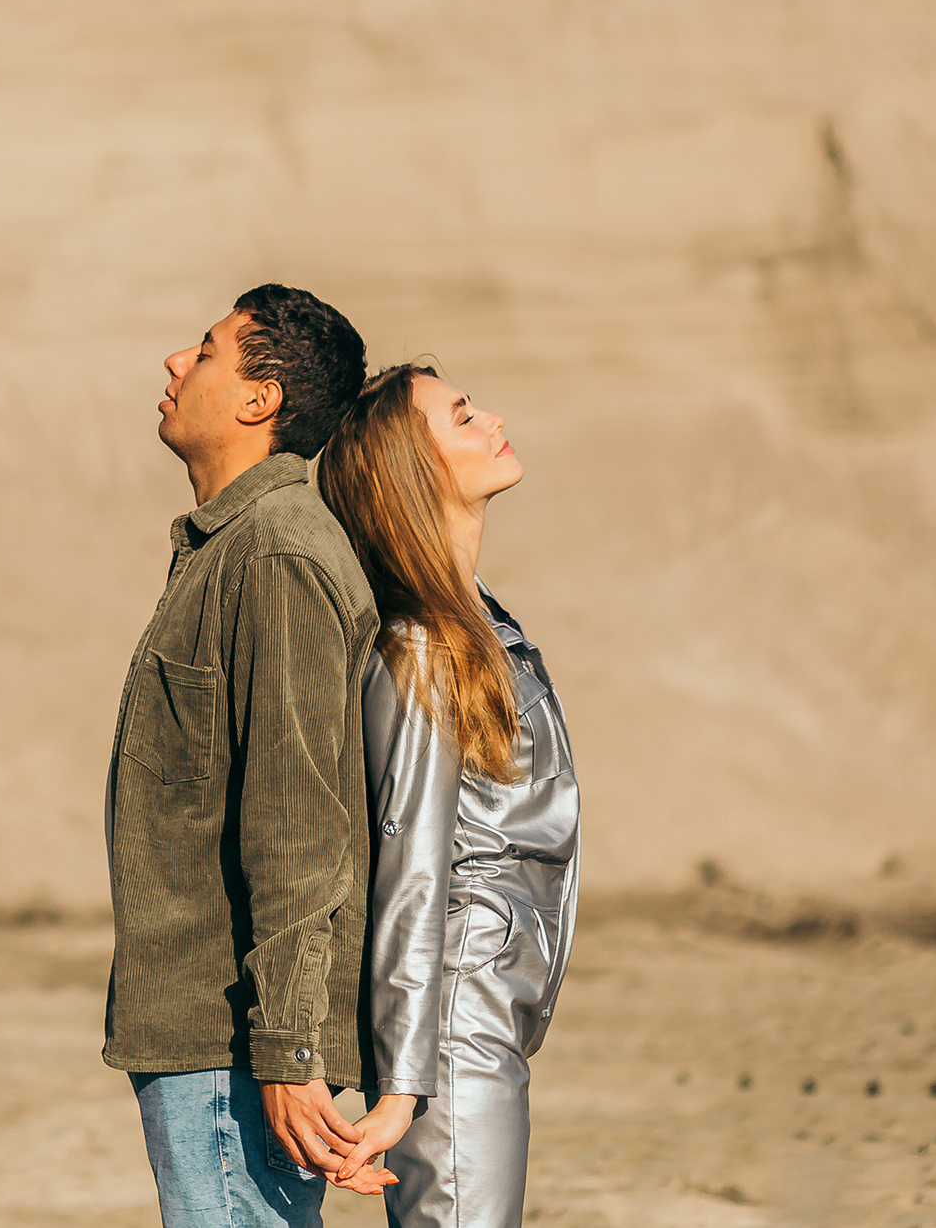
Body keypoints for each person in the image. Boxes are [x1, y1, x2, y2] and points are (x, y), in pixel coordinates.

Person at [104, 285, 425, 1228]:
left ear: (261, 398)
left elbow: (298, 822)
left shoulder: (277, 552)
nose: (176, 362)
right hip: (209, 1032)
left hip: (236, 1044)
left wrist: (286, 1046)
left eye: (205, 350)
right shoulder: (233, 545)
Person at [314, 363, 581, 1227]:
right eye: (463, 416)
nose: (492, 417)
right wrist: (404, 1084)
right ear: (414, 472)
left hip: (491, 1008)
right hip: (454, 1025)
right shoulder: (422, 646)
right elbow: (412, 870)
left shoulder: (475, 619)